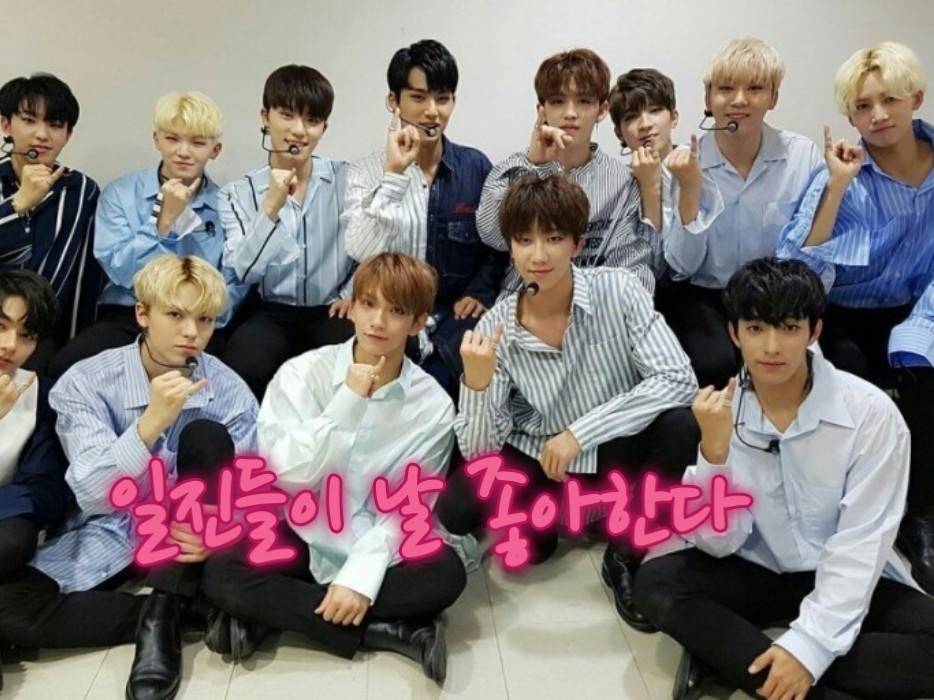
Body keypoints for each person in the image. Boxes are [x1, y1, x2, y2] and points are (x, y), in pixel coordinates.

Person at [633, 257, 934, 700]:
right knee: (655, 582)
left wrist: (809, 649)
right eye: (756, 329)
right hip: (755, 568)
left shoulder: (871, 415)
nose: (772, 347)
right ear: (734, 333)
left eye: (789, 328)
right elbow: (717, 544)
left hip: (839, 571)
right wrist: (714, 456)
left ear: (814, 332)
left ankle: (742, 659)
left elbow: (862, 542)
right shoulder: (721, 411)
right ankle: (785, 674)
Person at [438, 174, 698, 633]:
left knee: (682, 425)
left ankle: (626, 552)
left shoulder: (619, 289)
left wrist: (581, 433)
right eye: (524, 241)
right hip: (542, 456)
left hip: (610, 445)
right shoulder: (497, 326)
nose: (538, 256)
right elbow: (480, 453)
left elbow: (679, 379)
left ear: (577, 243)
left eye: (554, 239)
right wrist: (476, 385)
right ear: (511, 247)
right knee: (465, 511)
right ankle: (575, 514)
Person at [0, 255, 257, 700]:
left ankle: (163, 612)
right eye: (175, 315)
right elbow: (95, 495)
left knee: (206, 436)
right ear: (142, 313)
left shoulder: (230, 391)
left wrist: (224, 528)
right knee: (7, 609)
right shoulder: (87, 381)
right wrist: (149, 425)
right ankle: (176, 614)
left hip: (187, 542)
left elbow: (252, 491)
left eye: (205, 319)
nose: (192, 333)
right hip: (109, 528)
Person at [202, 252, 466, 684]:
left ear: (418, 322)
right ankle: (387, 631)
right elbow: (285, 474)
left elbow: (409, 510)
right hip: (299, 529)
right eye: (368, 304)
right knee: (222, 572)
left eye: (396, 311)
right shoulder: (301, 374)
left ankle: (271, 616)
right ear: (352, 306)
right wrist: (347, 403)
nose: (377, 321)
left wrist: (360, 577)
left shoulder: (432, 404)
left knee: (447, 574)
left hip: (376, 542)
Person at [777, 41, 934, 593]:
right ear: (849, 117)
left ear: (916, 98)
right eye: (863, 107)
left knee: (925, 378)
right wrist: (838, 187)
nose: (878, 115)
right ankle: (855, 517)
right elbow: (794, 268)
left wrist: (920, 330)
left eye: (889, 99)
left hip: (922, 305)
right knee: (854, 392)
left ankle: (919, 517)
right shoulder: (840, 172)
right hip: (844, 311)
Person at [343, 39, 507, 398]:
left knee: (442, 388)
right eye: (418, 97)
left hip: (453, 318)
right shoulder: (365, 172)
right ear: (394, 100)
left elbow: (498, 245)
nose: (432, 111)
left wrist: (480, 290)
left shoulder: (475, 167)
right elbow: (359, 249)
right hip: (391, 317)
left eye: (442, 98)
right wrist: (394, 176)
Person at [661, 38, 821, 388]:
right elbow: (682, 266)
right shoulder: (683, 162)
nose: (738, 100)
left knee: (804, 372)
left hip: (777, 296)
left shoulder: (801, 156)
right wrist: (691, 188)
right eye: (725, 89)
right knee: (713, 365)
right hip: (706, 295)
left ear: (774, 96)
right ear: (708, 98)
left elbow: (811, 254)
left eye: (755, 88)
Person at [50, 90, 246, 376]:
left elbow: (234, 284)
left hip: (195, 324)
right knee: (66, 366)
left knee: (215, 377)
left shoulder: (227, 206)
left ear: (215, 149)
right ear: (157, 140)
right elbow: (121, 270)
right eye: (172, 139)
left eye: (197, 142)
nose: (183, 151)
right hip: (129, 316)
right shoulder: (120, 193)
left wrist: (195, 316)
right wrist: (162, 223)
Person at [221, 64, 355, 399]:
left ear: (324, 128)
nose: (299, 130)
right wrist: (271, 208)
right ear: (265, 117)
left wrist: (354, 292)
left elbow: (373, 243)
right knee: (243, 365)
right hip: (272, 310)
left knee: (349, 366)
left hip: (331, 308)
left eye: (312, 120)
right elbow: (245, 271)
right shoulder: (237, 193)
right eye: (287, 115)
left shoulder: (347, 179)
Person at [475, 48, 657, 293]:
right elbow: (493, 237)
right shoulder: (514, 169)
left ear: (602, 110)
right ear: (542, 110)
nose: (570, 113)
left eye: (583, 101)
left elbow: (631, 266)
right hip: (523, 301)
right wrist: (533, 164)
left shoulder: (621, 181)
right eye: (558, 101)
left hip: (596, 306)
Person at [0, 73, 103, 371]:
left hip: (40, 337)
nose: (42, 134)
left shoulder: (81, 191)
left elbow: (83, 277)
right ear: (6, 125)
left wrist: (72, 349)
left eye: (55, 125)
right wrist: (17, 205)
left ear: (68, 135)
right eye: (29, 120)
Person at [608, 68, 723, 285]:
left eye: (655, 110)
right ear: (619, 133)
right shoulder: (615, 185)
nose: (645, 124)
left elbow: (688, 265)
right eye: (631, 117)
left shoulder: (702, 166)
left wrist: (689, 186)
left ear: (674, 117)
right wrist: (649, 187)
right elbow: (647, 267)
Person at [0, 270, 69, 583]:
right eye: (1, 327)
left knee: (15, 537)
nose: (10, 345)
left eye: (26, 335)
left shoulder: (43, 395)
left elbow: (46, 491)